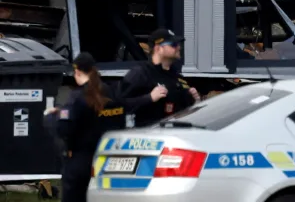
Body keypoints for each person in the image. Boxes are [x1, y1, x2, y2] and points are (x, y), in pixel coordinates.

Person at [46, 52, 125, 202]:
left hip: (80, 162)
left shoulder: (78, 97)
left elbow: (63, 128)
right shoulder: (110, 92)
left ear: (77, 71)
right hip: (106, 160)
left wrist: (50, 117)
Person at [116, 28, 200, 126]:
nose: (178, 47)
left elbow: (183, 112)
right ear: (158, 48)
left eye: (178, 44)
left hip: (173, 135)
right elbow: (119, 105)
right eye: (173, 44)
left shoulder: (178, 78)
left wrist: (195, 100)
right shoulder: (140, 73)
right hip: (148, 136)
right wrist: (149, 98)